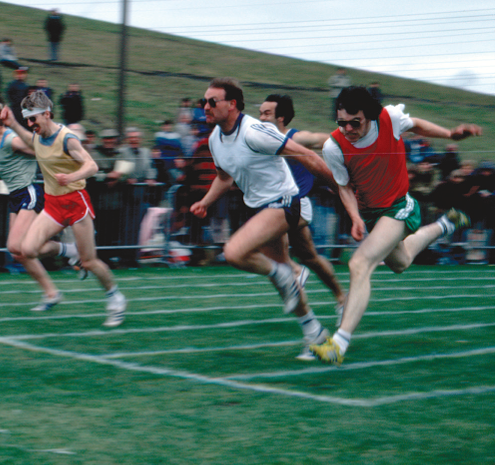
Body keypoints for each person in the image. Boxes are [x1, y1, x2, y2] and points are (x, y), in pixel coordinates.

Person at [309, 86, 483, 365]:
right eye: (342, 122)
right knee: (400, 262)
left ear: (370, 115)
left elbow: (416, 125)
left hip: (400, 207)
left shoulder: (388, 119)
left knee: (359, 263)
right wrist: (354, 217)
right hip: (370, 215)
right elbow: (343, 187)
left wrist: (450, 134)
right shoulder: (333, 147)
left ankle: (338, 344)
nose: (349, 128)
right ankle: (446, 224)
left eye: (356, 122)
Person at [189, 78, 339, 357]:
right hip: (265, 209)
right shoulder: (214, 139)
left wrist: (343, 191)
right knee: (286, 288)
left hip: (288, 203)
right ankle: (316, 336)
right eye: (203, 102)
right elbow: (224, 178)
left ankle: (290, 273)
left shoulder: (255, 132)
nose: (205, 107)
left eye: (212, 102)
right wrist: (205, 202)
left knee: (234, 252)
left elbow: (307, 155)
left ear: (232, 105)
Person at [0, 92, 127, 326]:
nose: (31, 124)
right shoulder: (38, 135)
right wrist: (12, 124)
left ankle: (115, 297)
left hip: (75, 203)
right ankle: (70, 251)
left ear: (47, 114)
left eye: (33, 119)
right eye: (27, 120)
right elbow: (30, 140)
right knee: (27, 249)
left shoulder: (67, 138)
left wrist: (72, 176)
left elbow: (92, 165)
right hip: (53, 204)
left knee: (90, 262)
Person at [0, 101, 84, 308]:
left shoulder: (12, 140)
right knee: (17, 251)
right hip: (15, 196)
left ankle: (67, 253)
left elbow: (40, 151)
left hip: (30, 191)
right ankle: (53, 288)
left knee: (18, 247)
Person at [258, 94, 346, 333]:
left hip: (296, 204)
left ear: (281, 117)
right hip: (275, 206)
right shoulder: (260, 141)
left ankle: (295, 272)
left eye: (267, 113)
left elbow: (324, 139)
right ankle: (341, 297)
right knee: (310, 257)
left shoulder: (295, 137)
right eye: (261, 113)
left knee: (266, 245)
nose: (261, 117)